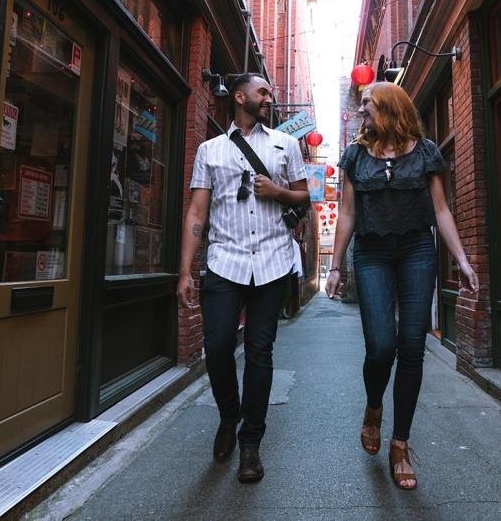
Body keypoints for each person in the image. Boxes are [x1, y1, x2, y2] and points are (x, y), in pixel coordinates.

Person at [325, 81, 479, 491]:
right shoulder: (357, 155)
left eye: (367, 106)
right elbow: (347, 213)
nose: (362, 113)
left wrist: (461, 260)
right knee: (380, 346)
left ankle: (400, 445)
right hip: (371, 253)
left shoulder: (426, 152)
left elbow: (441, 211)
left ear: (389, 108)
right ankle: (374, 407)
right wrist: (336, 266)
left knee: (412, 345)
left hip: (416, 251)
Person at [177, 73, 309, 483]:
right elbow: (198, 212)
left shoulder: (286, 145)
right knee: (216, 346)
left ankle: (251, 442)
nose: (270, 97)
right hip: (224, 261)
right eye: (263, 91)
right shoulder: (209, 150)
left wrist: (279, 193)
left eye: (270, 91)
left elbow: (306, 194)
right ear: (239, 97)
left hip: (272, 260)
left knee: (260, 352)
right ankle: (228, 415)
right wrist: (185, 270)